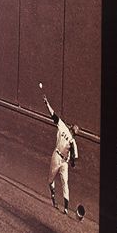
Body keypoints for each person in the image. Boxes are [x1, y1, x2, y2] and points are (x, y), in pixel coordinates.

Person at [43, 88, 82, 218]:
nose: (73, 133)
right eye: (74, 130)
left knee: (65, 182)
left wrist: (72, 162)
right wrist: (47, 103)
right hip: (56, 155)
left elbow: (74, 159)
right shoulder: (63, 126)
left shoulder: (73, 142)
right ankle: (53, 197)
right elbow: (53, 115)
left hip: (64, 161)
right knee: (50, 180)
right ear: (71, 128)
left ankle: (65, 208)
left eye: (75, 133)